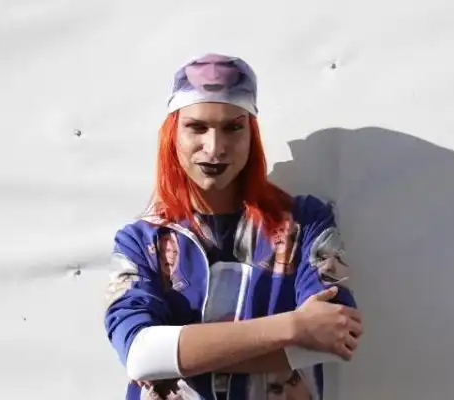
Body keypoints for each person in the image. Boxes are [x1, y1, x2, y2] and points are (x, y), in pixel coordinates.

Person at [104, 53, 363, 400]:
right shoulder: (141, 240)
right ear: (173, 135)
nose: (215, 148)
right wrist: (294, 326)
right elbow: (140, 354)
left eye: (233, 127)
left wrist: (180, 353)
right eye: (197, 127)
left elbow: (335, 334)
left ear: (251, 134)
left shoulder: (304, 222)